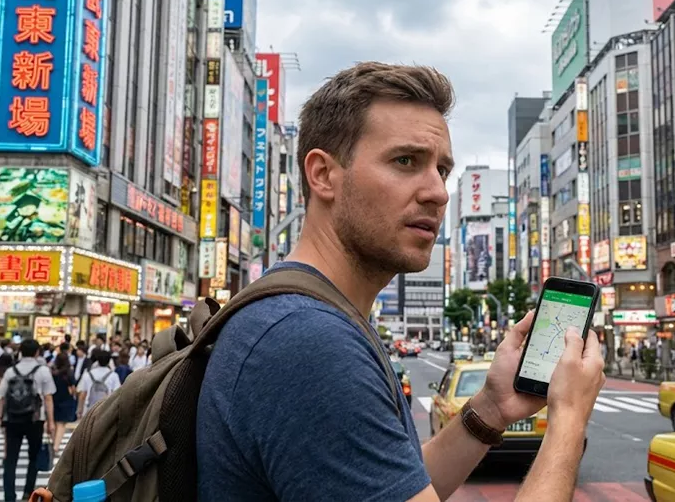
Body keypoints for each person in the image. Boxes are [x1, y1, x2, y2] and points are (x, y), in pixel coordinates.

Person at [196, 62, 606, 501]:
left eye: (442, 170)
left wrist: (492, 407)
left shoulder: (308, 314)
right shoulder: (308, 342)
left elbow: (395, 486)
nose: (438, 192)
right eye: (406, 161)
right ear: (322, 174)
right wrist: (568, 420)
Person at [0, 340, 56, 502]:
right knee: (33, 457)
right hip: (35, 419)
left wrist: (0, 418)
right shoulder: (43, 371)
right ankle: (28, 491)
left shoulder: (10, 371)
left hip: (12, 419)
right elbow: (48, 397)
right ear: (37, 352)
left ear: (21, 351)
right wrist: (51, 422)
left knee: (10, 458)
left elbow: (2, 396)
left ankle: (9, 495)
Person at [76, 350, 120, 418]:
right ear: (109, 361)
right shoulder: (114, 375)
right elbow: (116, 394)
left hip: (89, 409)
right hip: (106, 410)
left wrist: (80, 410)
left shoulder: (88, 374)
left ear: (97, 361)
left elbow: (82, 395)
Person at [49, 354, 76, 455]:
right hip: (66, 400)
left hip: (54, 399)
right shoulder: (69, 373)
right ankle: (56, 446)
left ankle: (53, 442)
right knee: (61, 424)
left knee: (55, 422)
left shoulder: (53, 373)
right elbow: (73, 388)